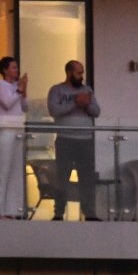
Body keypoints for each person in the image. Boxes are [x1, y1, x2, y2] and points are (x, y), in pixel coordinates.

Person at [47, 60, 101, 221]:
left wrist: (86, 104)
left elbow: (96, 111)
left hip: (86, 140)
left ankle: (89, 213)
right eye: (78, 73)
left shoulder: (87, 90)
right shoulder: (57, 90)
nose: (82, 76)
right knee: (62, 177)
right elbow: (54, 110)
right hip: (66, 140)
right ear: (69, 73)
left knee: (87, 178)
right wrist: (75, 103)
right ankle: (59, 213)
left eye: (82, 72)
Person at [0, 57, 28, 219]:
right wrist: (19, 90)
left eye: (17, 68)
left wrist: (23, 91)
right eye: (13, 68)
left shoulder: (16, 87)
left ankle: (13, 210)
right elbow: (6, 103)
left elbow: (25, 107)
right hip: (5, 129)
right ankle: (0, 211)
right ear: (5, 70)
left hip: (18, 129)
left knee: (16, 171)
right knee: (4, 170)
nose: (16, 70)